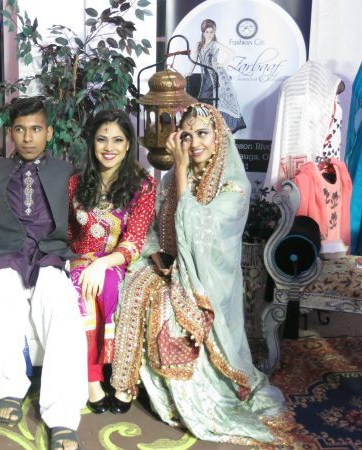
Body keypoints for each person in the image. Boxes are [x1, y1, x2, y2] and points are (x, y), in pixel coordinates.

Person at [111, 103, 295, 445]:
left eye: (202, 134)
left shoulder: (234, 187)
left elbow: (197, 230)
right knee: (133, 283)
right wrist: (156, 253)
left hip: (209, 282)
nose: (194, 143)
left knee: (169, 307)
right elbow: (155, 227)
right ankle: (126, 386)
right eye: (187, 135)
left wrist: (180, 168)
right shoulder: (172, 179)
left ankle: (185, 395)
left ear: (219, 137)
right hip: (172, 265)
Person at [0, 96, 87, 450]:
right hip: (6, 250)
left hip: (49, 253)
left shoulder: (66, 171)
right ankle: (10, 387)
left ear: (49, 132)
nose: (27, 137)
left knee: (59, 302)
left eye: (36, 129)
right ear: (10, 132)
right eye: (20, 129)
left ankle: (62, 414)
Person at [68, 110, 155, 414]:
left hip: (119, 260)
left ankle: (120, 378)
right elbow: (68, 233)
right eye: (102, 139)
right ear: (92, 142)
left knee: (109, 285)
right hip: (79, 259)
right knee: (82, 290)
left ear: (129, 144)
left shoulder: (142, 186)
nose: (109, 147)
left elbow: (134, 240)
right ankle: (92, 379)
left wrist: (102, 264)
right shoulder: (76, 183)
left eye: (118, 140)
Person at [194, 19, 246, 133]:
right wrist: (189, 71)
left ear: (214, 32)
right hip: (206, 76)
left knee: (216, 101)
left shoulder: (215, 44)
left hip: (216, 76)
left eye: (211, 32)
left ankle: (217, 129)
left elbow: (231, 53)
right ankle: (206, 127)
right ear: (203, 32)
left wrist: (222, 64)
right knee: (203, 100)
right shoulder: (199, 45)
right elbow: (194, 60)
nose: (209, 34)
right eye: (207, 32)